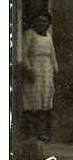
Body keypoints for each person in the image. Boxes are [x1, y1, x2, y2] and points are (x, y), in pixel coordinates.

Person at [18, 11, 58, 142]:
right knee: (32, 101)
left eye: (45, 21)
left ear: (48, 23)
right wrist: (28, 69)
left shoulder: (48, 36)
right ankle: (31, 133)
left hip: (46, 71)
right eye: (39, 21)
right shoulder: (29, 35)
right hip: (34, 70)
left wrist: (55, 68)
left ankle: (42, 133)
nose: (42, 24)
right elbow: (23, 53)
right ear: (34, 22)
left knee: (45, 102)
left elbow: (52, 54)